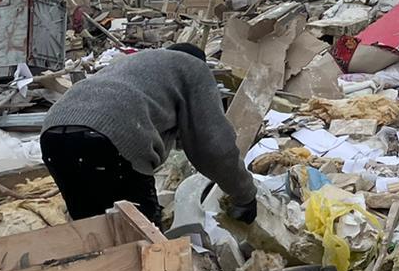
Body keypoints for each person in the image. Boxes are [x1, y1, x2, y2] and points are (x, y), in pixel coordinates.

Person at [40, 42, 258, 225]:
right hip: (114, 137)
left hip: (53, 133)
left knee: (91, 232)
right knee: (146, 239)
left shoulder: (136, 64)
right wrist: (245, 195)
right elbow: (213, 146)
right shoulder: (194, 69)